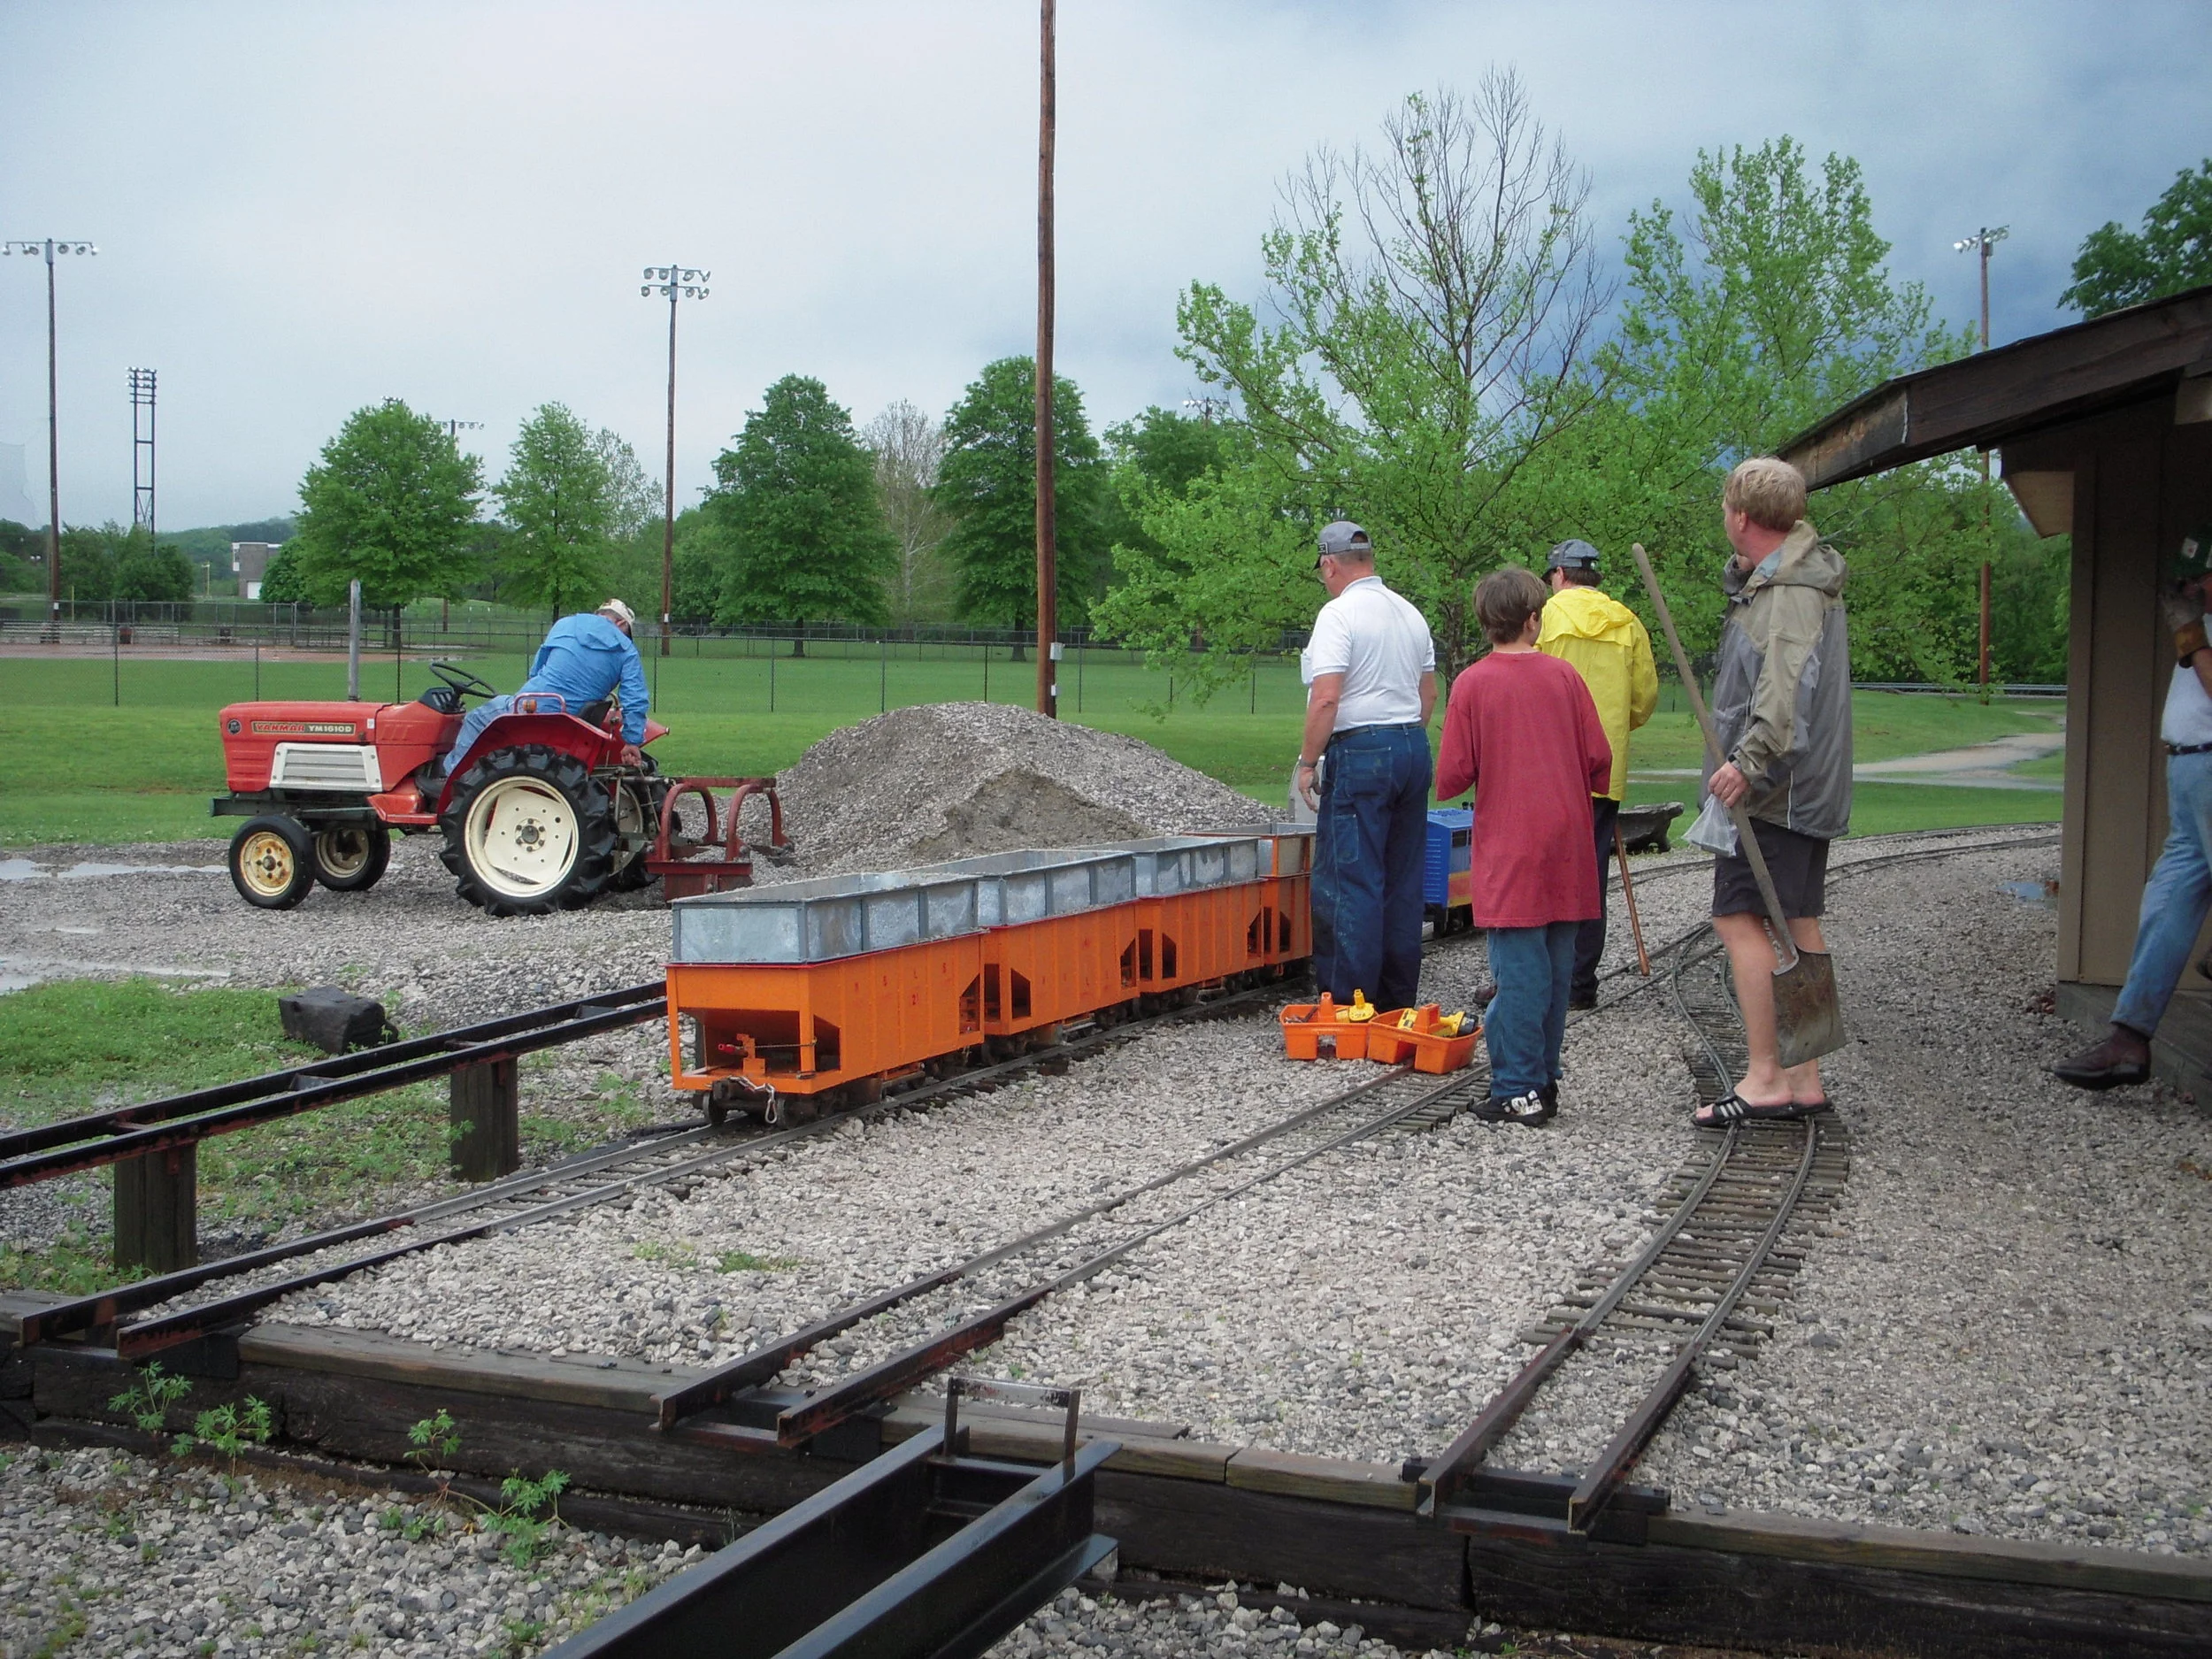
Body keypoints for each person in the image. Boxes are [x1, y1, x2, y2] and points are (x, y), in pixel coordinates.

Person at [1699, 457, 1851, 1126]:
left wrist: (1745, 763)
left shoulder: (1787, 593)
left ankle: (1766, 1076)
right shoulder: (1787, 581)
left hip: (1774, 791)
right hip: (1798, 787)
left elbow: (1784, 702)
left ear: (1739, 515)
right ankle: (1805, 1075)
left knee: (1738, 917)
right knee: (1798, 923)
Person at [1436, 565, 1611, 1125]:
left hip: (1511, 840)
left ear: (1488, 623)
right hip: (1567, 838)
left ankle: (1517, 1086)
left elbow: (1454, 775)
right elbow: (1599, 759)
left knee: (1518, 969)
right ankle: (1544, 1076)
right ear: (1534, 620)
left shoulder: (1472, 684)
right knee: (1558, 966)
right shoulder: (1565, 679)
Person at [2051, 528, 2212, 1089]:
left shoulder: (2198, 631)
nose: (2189, 588)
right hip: (2190, 771)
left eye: (2197, 577)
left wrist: (2190, 634)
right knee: (2165, 905)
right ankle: (2128, 1042)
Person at [1296, 520, 1438, 1013]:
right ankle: (1399, 999)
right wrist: (1403, 738)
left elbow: (1326, 698)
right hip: (1412, 745)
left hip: (1361, 750)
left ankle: (1353, 1001)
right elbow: (1428, 696)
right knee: (1402, 878)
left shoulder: (1338, 615)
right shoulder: (1410, 613)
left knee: (1350, 879)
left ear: (1330, 564)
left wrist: (1307, 762)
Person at [1535, 538, 1659, 1009]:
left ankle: (1535, 979)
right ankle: (1579, 984)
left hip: (1548, 767)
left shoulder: (1543, 619)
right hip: (1604, 770)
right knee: (1590, 873)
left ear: (1559, 575)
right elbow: (1644, 700)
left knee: (1540, 872)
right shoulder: (1627, 623)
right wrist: (1613, 729)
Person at [435, 599, 650, 781]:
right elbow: (634, 699)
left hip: (535, 706)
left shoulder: (566, 625)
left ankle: (453, 780)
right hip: (574, 718)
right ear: (621, 622)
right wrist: (632, 741)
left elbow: (536, 669)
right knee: (498, 705)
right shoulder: (626, 650)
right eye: (627, 633)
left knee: (474, 719)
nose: (625, 639)